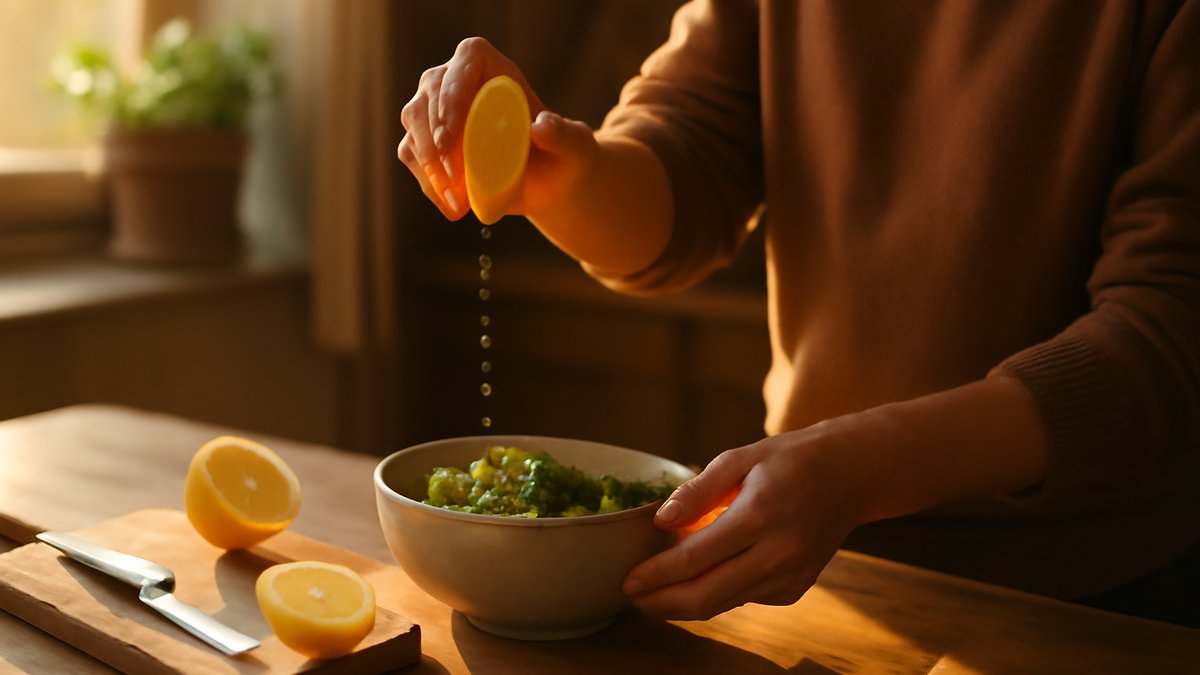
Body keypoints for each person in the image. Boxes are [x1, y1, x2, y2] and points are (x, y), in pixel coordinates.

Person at [398, 0, 1200, 625]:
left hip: (1092, 592)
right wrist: (561, 178)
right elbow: (689, 154)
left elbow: (1168, 329)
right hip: (821, 565)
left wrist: (862, 468)